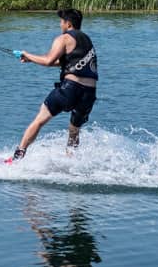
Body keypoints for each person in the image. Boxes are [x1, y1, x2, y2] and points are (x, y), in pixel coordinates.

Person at [12, 8, 98, 160]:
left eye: (61, 21)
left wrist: (27, 55)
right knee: (74, 130)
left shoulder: (64, 39)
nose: (60, 24)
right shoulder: (87, 40)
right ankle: (71, 161)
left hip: (70, 88)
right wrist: (31, 59)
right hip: (89, 93)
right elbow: (63, 63)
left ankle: (18, 156)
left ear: (68, 23)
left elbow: (48, 60)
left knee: (40, 119)